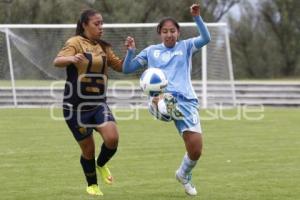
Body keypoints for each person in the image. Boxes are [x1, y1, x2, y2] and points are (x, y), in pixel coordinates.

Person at [123, 3, 211, 196]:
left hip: (186, 102)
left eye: (172, 31)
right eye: (165, 31)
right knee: (164, 100)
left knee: (196, 149)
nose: (169, 34)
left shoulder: (186, 46)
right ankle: (161, 105)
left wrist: (197, 17)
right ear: (159, 33)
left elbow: (206, 38)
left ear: (178, 32)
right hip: (160, 98)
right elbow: (127, 69)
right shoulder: (151, 51)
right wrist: (130, 52)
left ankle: (183, 174)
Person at [53, 9, 129, 196]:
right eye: (96, 24)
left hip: (98, 104)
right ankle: (92, 185)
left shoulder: (104, 47)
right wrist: (71, 58)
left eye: (102, 23)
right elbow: (57, 61)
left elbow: (121, 67)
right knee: (88, 148)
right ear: (85, 25)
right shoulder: (74, 42)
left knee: (112, 138)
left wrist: (130, 52)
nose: (100, 27)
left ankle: (100, 164)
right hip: (75, 108)